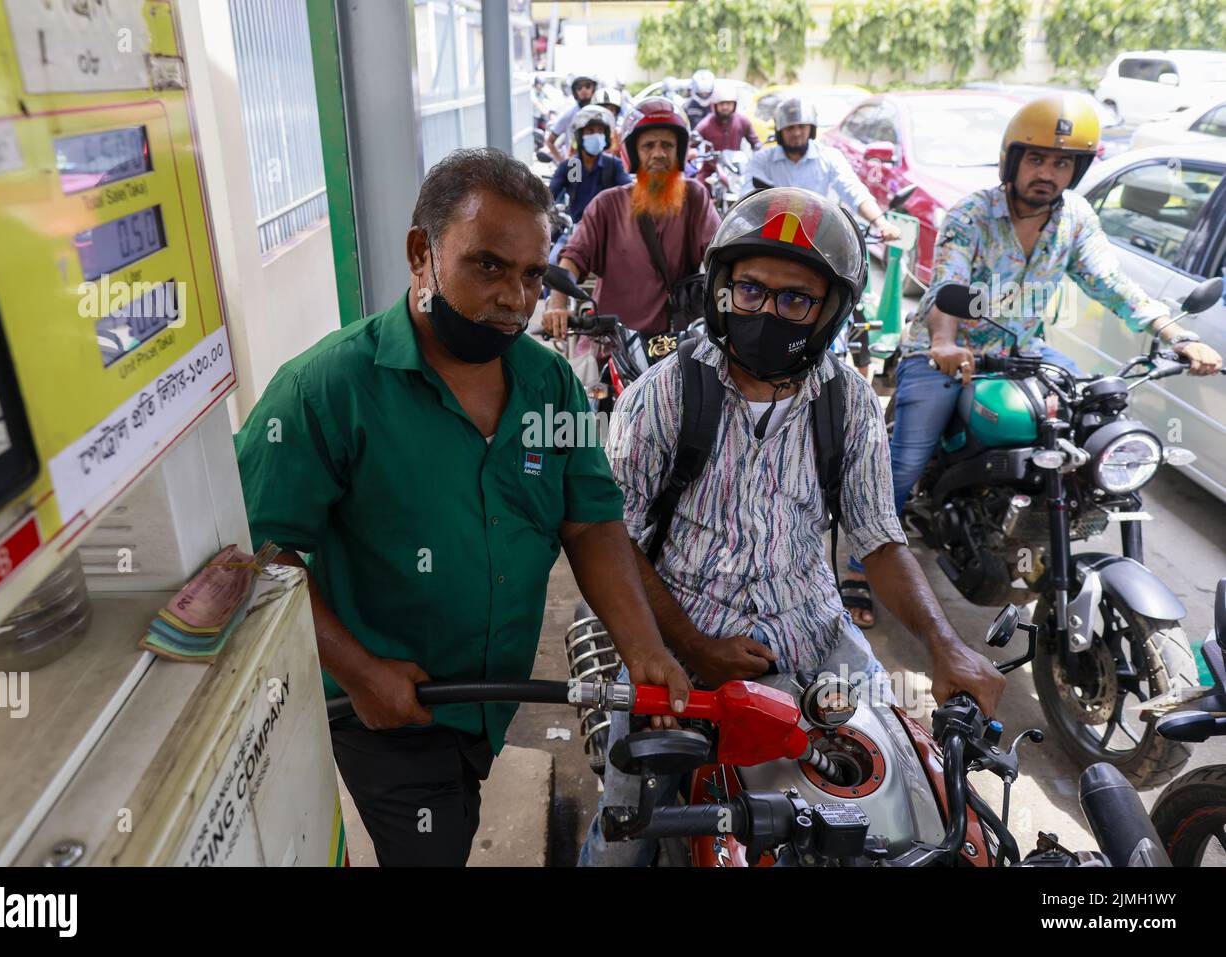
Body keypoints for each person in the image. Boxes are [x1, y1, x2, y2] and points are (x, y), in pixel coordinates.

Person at [234, 148, 689, 867]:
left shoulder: (551, 387)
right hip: (386, 710)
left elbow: (591, 520)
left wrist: (644, 648)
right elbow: (261, 550)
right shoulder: (327, 389)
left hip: (487, 700)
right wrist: (358, 669)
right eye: (487, 265)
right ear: (422, 253)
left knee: (454, 819)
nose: (515, 297)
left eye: (533, 274)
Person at [579, 187, 1007, 866]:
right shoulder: (665, 394)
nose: (767, 313)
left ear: (828, 312)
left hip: (818, 640)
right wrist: (694, 644)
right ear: (721, 289)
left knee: (918, 799)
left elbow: (878, 537)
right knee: (631, 825)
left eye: (795, 299)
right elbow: (614, 540)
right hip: (677, 651)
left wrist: (944, 644)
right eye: (750, 290)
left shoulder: (848, 401)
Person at [838, 94, 1223, 628]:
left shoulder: (1077, 219)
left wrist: (1175, 333)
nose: (1048, 173)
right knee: (902, 463)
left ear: (1077, 169)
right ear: (1012, 161)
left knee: (1095, 416)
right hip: (950, 350)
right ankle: (859, 565)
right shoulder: (972, 214)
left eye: (1062, 162)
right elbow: (947, 284)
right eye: (1037, 159)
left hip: (1024, 349)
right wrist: (946, 342)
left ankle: (1038, 526)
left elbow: (1112, 284)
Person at [543, 96, 720, 340]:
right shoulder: (587, 182)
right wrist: (557, 304)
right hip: (615, 340)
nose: (658, 154)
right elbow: (574, 249)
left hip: (677, 338)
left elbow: (718, 252)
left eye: (667, 145)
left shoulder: (693, 196)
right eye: (648, 146)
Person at [743, 96, 901, 244]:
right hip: (769, 236)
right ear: (779, 132)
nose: (797, 133)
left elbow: (854, 190)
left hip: (817, 238)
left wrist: (881, 223)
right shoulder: (761, 160)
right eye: (790, 128)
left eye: (802, 126)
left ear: (811, 129)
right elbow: (747, 198)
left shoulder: (830, 157)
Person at [547, 106, 630, 266]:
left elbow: (629, 192)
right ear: (580, 136)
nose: (595, 135)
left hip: (610, 234)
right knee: (551, 265)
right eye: (590, 131)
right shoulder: (573, 166)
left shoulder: (613, 165)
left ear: (605, 136)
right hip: (575, 232)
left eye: (599, 131)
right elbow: (550, 195)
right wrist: (550, 208)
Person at [693, 79, 761, 182]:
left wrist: (759, 154)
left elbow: (755, 143)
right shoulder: (705, 124)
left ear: (734, 104)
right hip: (710, 172)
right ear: (715, 105)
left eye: (729, 103)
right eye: (722, 104)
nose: (725, 107)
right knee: (697, 192)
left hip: (736, 172)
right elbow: (691, 144)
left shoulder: (743, 121)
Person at [547, 73, 598, 162]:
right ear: (575, 92)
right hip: (574, 165)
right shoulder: (569, 115)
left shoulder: (600, 113)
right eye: (579, 87)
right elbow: (550, 141)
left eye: (587, 86)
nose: (584, 89)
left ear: (593, 89)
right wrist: (561, 162)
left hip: (596, 163)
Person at [592, 87, 625, 153]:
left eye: (611, 110)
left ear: (616, 113)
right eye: (602, 109)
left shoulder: (621, 134)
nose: (606, 113)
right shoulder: (586, 133)